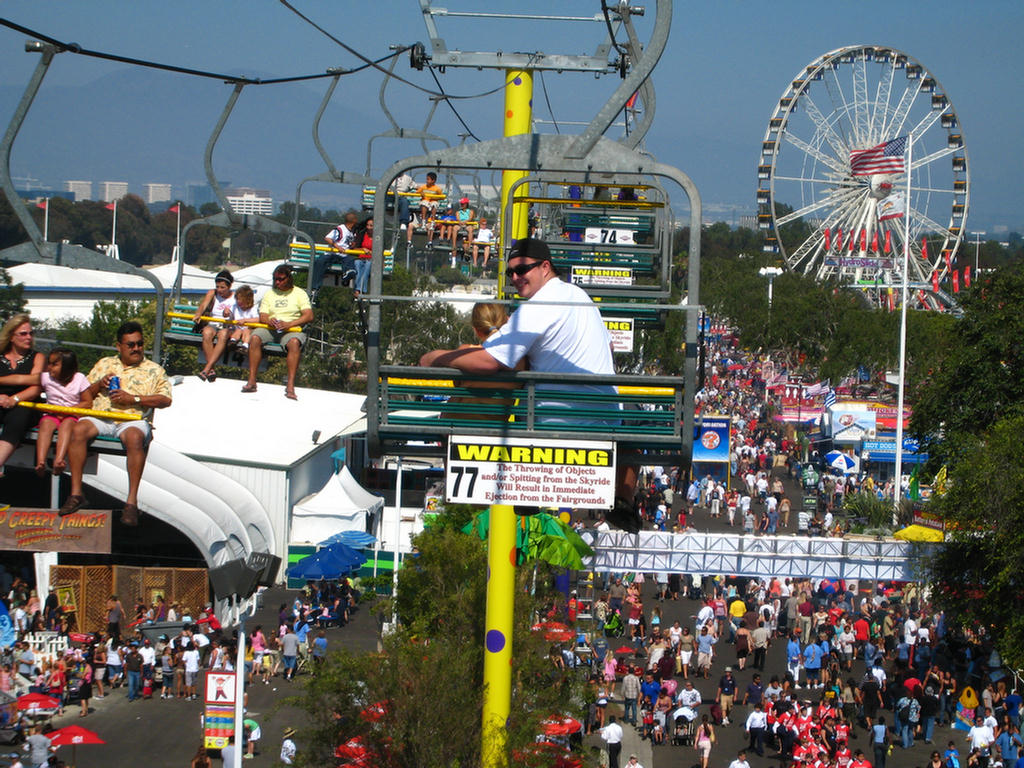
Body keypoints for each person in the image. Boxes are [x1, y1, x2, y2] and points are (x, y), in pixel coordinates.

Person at [420, 238, 637, 521]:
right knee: (635, 415)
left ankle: (527, 495)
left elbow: (489, 362)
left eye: (522, 270)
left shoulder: (539, 305)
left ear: (545, 267)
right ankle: (623, 498)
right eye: (511, 273)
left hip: (556, 425)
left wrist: (434, 358)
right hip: (606, 420)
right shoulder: (579, 296)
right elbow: (608, 348)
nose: (515, 278)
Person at [57, 322, 172, 524]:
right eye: (131, 345)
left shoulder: (154, 370)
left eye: (139, 343)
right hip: (101, 416)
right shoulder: (104, 364)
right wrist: (98, 384)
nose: (136, 348)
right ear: (119, 346)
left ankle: (131, 503)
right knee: (78, 429)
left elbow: (165, 400)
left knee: (136, 437)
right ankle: (76, 494)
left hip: (131, 419)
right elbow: (83, 395)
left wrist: (134, 399)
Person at [242, 264, 313, 400]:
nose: (277, 283)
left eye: (280, 279)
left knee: (294, 343)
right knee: (255, 337)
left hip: (291, 329)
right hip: (271, 328)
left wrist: (289, 324)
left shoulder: (299, 293)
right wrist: (269, 320)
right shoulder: (270, 294)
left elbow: (308, 316)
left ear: (289, 279)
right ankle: (251, 380)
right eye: (275, 279)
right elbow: (263, 315)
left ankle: (291, 385)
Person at [34, 347, 91, 476]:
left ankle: (59, 459)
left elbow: (88, 402)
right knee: (45, 425)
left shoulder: (79, 379)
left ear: (67, 367)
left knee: (67, 426)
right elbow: (21, 379)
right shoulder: (46, 377)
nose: (49, 367)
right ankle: (41, 461)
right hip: (52, 414)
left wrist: (68, 411)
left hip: (70, 416)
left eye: (54, 364)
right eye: (49, 363)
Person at [0, 314, 44, 474]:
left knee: (19, 415)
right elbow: (32, 379)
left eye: (31, 333)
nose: (28, 337)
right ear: (11, 336)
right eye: (23, 334)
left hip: (24, 404)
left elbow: (36, 386)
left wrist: (14, 398)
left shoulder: (37, 357)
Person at [194, 270, 236, 381]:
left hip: (228, 325)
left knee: (223, 335)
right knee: (207, 333)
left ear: (229, 286)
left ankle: (207, 368)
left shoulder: (235, 297)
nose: (219, 290)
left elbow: (238, 314)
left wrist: (229, 313)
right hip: (213, 323)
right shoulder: (212, 293)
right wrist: (198, 314)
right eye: (217, 287)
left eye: (223, 288)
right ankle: (211, 369)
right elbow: (203, 305)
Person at [312, 211, 358, 295]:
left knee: (350, 261)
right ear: (353, 221)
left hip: (344, 255)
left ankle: (347, 274)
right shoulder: (340, 229)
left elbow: (348, 243)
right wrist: (337, 247)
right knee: (320, 262)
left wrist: (352, 245)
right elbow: (328, 238)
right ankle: (315, 287)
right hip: (333, 253)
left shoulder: (353, 232)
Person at [349, 215, 375, 297]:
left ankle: (360, 290)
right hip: (360, 257)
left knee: (367, 267)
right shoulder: (362, 234)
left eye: (371, 226)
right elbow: (355, 248)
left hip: (371, 259)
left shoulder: (378, 237)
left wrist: (370, 252)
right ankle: (359, 290)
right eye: (367, 225)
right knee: (358, 266)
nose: (368, 227)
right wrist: (363, 249)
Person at [416, 172, 443, 239]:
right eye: (426, 179)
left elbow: (441, 196)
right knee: (424, 203)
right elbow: (418, 192)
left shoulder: (437, 188)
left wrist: (435, 197)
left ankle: (433, 221)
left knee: (434, 204)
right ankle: (423, 220)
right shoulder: (423, 187)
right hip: (425, 201)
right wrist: (421, 193)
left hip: (433, 201)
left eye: (428, 179)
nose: (427, 181)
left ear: (433, 180)